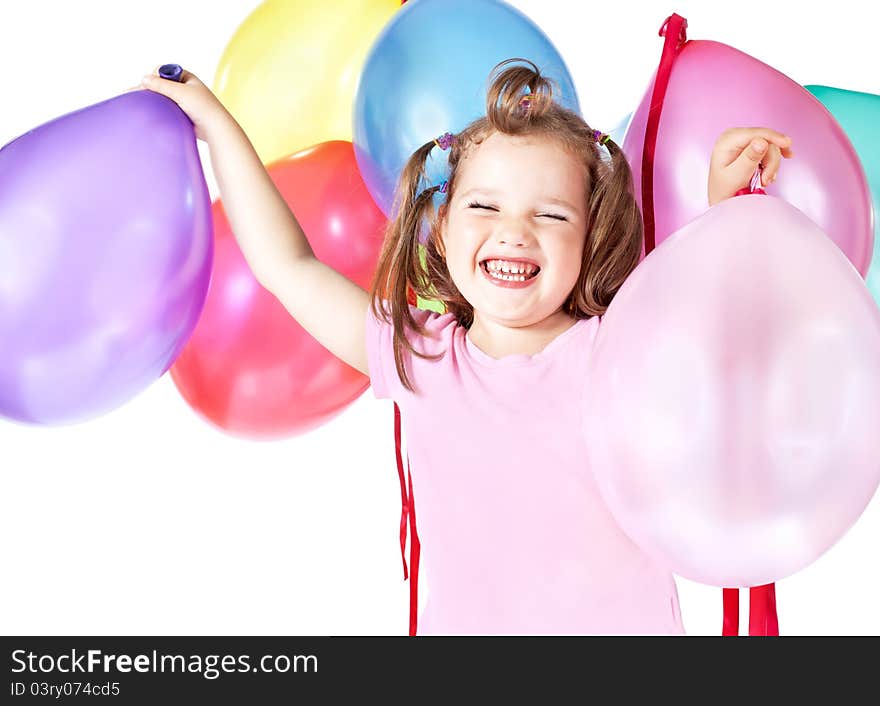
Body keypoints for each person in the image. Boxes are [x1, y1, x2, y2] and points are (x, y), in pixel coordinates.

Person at [139, 57, 792, 635]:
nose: (515, 232)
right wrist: (217, 126)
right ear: (442, 230)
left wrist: (725, 206)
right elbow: (289, 266)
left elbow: (729, 334)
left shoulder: (621, 350)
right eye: (484, 207)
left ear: (591, 238)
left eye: (552, 214)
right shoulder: (419, 357)